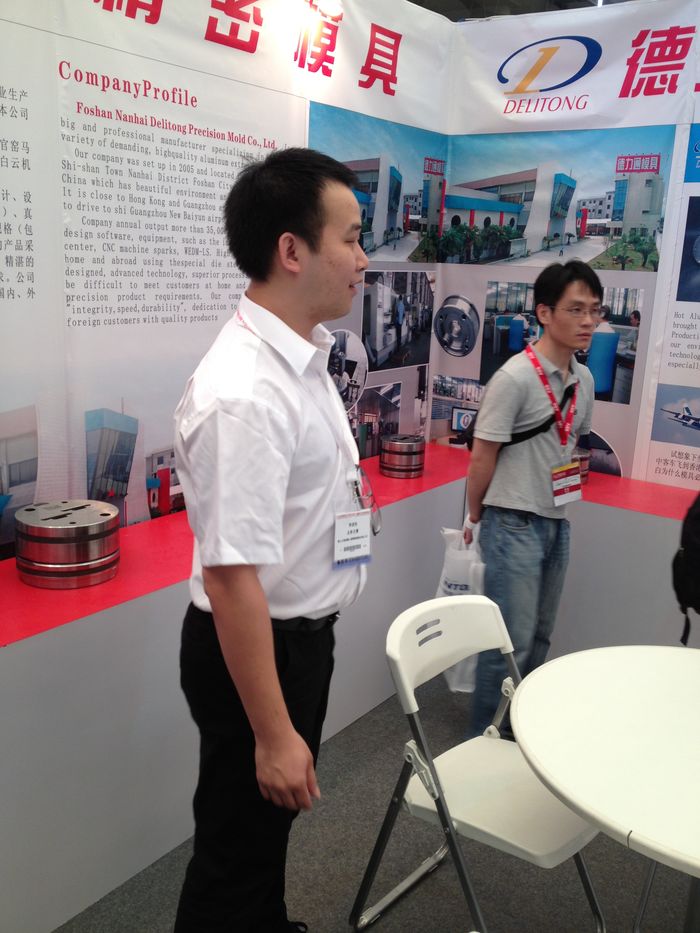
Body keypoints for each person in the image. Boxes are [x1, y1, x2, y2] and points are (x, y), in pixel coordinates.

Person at [173, 148, 370, 933]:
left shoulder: (301, 356)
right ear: (292, 249)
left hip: (296, 639)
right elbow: (230, 579)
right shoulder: (244, 392)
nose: (363, 258)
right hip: (258, 651)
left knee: (262, 835)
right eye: (351, 238)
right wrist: (273, 731)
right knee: (233, 853)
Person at [463, 260, 599, 738]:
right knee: (509, 644)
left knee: (539, 637)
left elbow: (572, 443)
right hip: (512, 521)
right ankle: (485, 741)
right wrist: (474, 516)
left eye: (594, 311)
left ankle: (518, 731)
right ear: (544, 313)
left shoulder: (584, 380)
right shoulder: (515, 377)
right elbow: (482, 456)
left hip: (557, 521)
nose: (588, 321)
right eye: (576, 309)